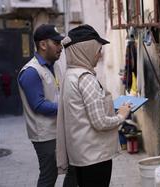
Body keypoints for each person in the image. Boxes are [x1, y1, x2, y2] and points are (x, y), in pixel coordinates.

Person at [56, 24, 131, 187]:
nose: (100, 54)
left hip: (81, 156)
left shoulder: (70, 75)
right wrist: (122, 115)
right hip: (95, 158)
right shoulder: (86, 78)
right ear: (86, 50)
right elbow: (100, 122)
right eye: (98, 49)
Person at [18, 24, 77, 187]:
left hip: (59, 129)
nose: (60, 47)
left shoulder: (54, 66)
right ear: (43, 45)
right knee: (49, 176)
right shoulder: (30, 72)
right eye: (56, 43)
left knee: (75, 168)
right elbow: (39, 105)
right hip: (45, 135)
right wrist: (69, 106)